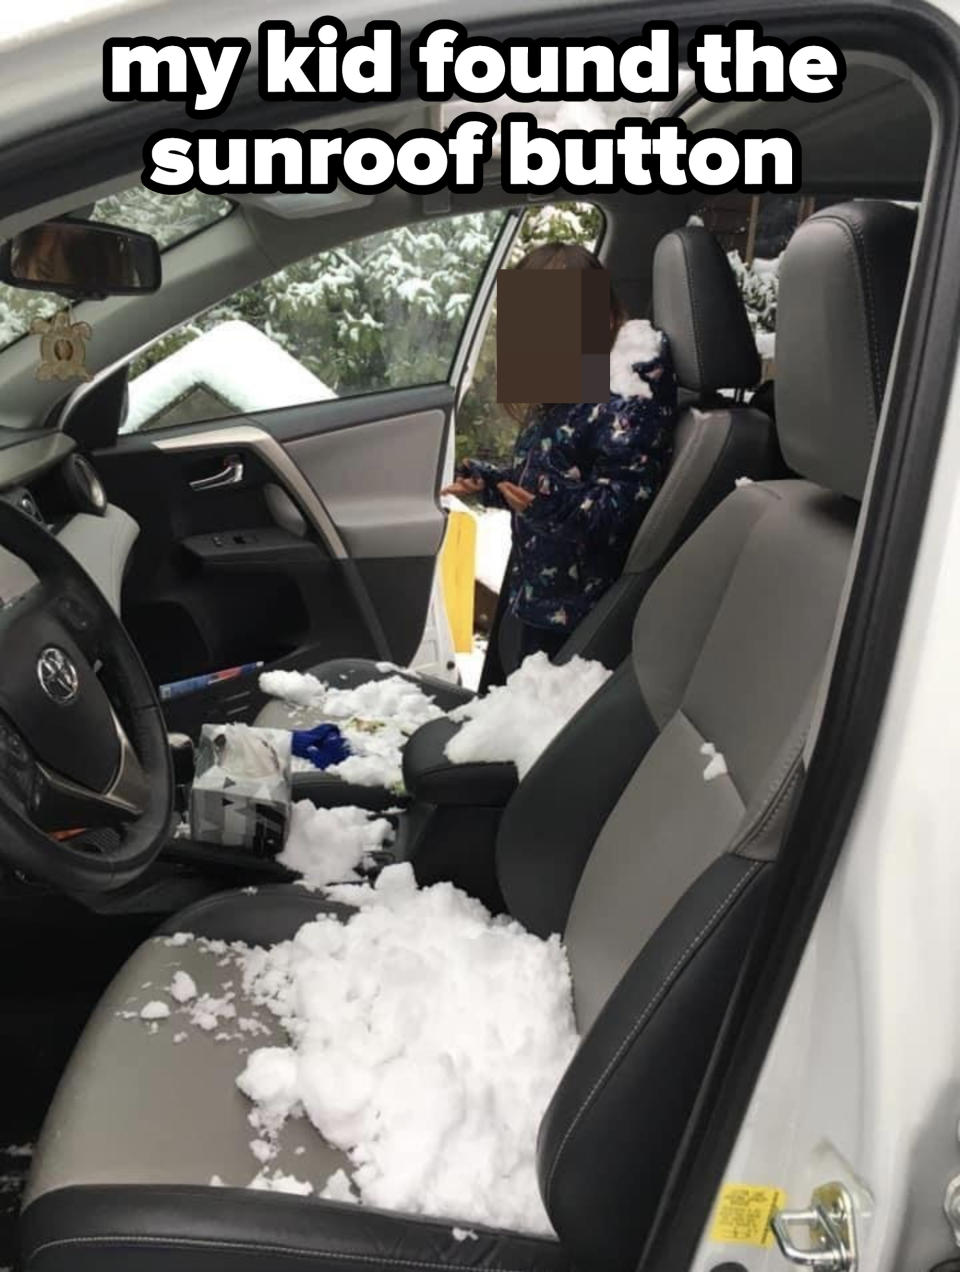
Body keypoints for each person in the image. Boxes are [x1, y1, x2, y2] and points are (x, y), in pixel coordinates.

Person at [443, 241, 677, 665]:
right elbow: (549, 474)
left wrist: (549, 505)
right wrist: (493, 484)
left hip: (576, 610)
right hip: (537, 593)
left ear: (603, 318)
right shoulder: (568, 383)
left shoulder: (626, 403)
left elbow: (623, 507)